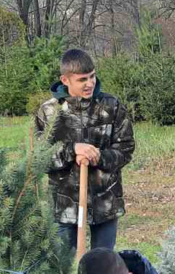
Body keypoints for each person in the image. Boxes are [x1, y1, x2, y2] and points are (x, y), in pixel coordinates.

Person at [35, 49, 134, 254]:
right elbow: (39, 158)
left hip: (105, 202)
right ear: (65, 80)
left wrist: (99, 156)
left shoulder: (111, 106)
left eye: (92, 76)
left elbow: (126, 148)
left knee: (102, 266)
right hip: (64, 205)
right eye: (82, 80)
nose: (90, 83)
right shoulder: (48, 112)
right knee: (65, 268)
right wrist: (72, 150)